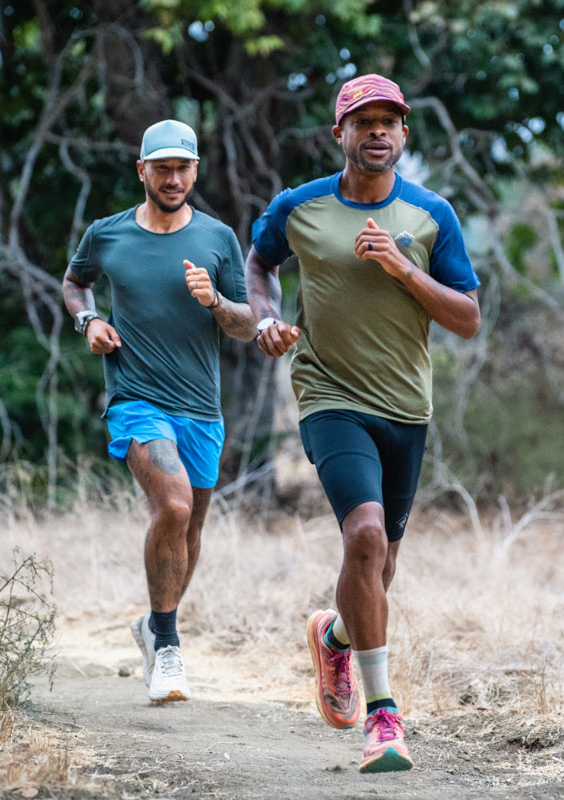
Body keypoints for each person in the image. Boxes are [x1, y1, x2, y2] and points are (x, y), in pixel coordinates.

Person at [245, 74, 481, 772]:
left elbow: (467, 317)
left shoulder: (432, 214)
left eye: (390, 121)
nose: (377, 132)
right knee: (366, 535)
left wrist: (407, 271)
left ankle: (337, 636)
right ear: (339, 134)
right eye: (363, 121)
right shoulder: (301, 207)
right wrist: (265, 316)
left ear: (404, 135)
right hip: (328, 394)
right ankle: (384, 718)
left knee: (379, 569)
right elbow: (260, 263)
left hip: (406, 407)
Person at [61, 119, 256, 703]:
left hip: (203, 409)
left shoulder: (218, 239)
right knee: (171, 505)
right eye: (162, 167)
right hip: (137, 399)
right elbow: (75, 283)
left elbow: (246, 327)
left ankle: (151, 624)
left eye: (184, 167)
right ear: (141, 170)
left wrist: (216, 300)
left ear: (196, 171)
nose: (174, 178)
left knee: (190, 531)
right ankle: (168, 648)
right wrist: (89, 320)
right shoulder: (107, 234)